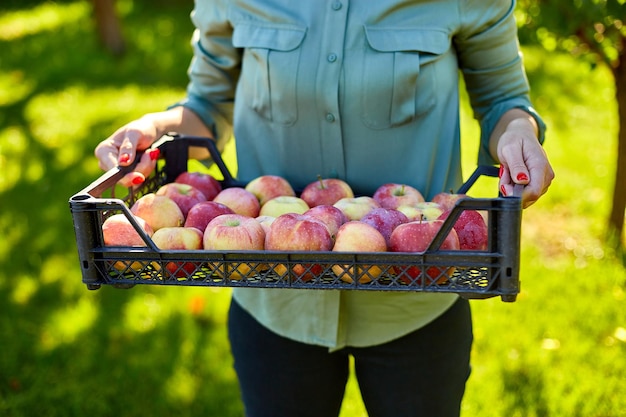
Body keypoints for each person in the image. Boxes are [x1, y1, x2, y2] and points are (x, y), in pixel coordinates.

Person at [95, 1, 554, 416]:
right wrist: (153, 126)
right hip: (275, 300)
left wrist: (518, 132)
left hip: (417, 300)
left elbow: (502, 100)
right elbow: (207, 106)